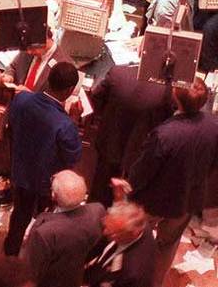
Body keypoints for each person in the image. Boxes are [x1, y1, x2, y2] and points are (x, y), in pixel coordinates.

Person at [114, 79, 218, 287]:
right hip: (187, 199)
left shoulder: (164, 134)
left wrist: (128, 187)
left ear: (176, 97)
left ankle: (127, 280)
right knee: (168, 245)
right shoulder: (213, 126)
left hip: (153, 201)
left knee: (134, 240)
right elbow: (213, 164)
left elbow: (143, 172)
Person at [4, 62, 83, 255]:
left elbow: (10, 126)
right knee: (44, 221)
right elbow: (73, 156)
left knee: (19, 216)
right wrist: (74, 119)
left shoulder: (21, 99)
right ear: (70, 90)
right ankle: (35, 256)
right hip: (46, 184)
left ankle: (10, 255)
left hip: (20, 172)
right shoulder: (65, 124)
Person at [88, 65, 171, 207]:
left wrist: (105, 116)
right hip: (140, 148)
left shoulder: (118, 72)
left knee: (100, 188)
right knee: (130, 195)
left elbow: (96, 98)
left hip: (110, 140)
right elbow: (166, 119)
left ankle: (95, 214)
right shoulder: (167, 88)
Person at [22, 170, 105, 287]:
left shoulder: (44, 233)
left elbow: (31, 271)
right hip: (75, 278)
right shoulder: (98, 211)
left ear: (53, 195)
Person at [85, 201, 156, 287]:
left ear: (132, 234)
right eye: (106, 226)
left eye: (113, 233)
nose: (105, 232)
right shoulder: (135, 223)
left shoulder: (134, 274)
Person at [0, 28, 73, 95]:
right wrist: (9, 77)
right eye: (27, 48)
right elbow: (13, 67)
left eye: (32, 48)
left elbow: (58, 101)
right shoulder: (27, 49)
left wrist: (32, 97)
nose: (29, 52)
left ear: (46, 38)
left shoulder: (64, 65)